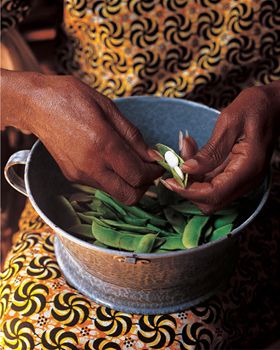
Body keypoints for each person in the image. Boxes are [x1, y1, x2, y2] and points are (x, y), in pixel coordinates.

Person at [1, 0, 280, 348]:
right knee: (30, 333)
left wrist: (275, 100)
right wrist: (28, 100)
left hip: (250, 168)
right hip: (81, 170)